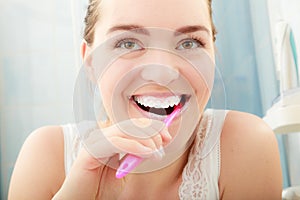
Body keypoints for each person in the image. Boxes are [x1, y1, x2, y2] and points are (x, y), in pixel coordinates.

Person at [8, 0, 283, 199]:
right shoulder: (46, 156)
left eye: (189, 42)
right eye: (128, 43)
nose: (163, 72)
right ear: (90, 64)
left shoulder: (245, 144)